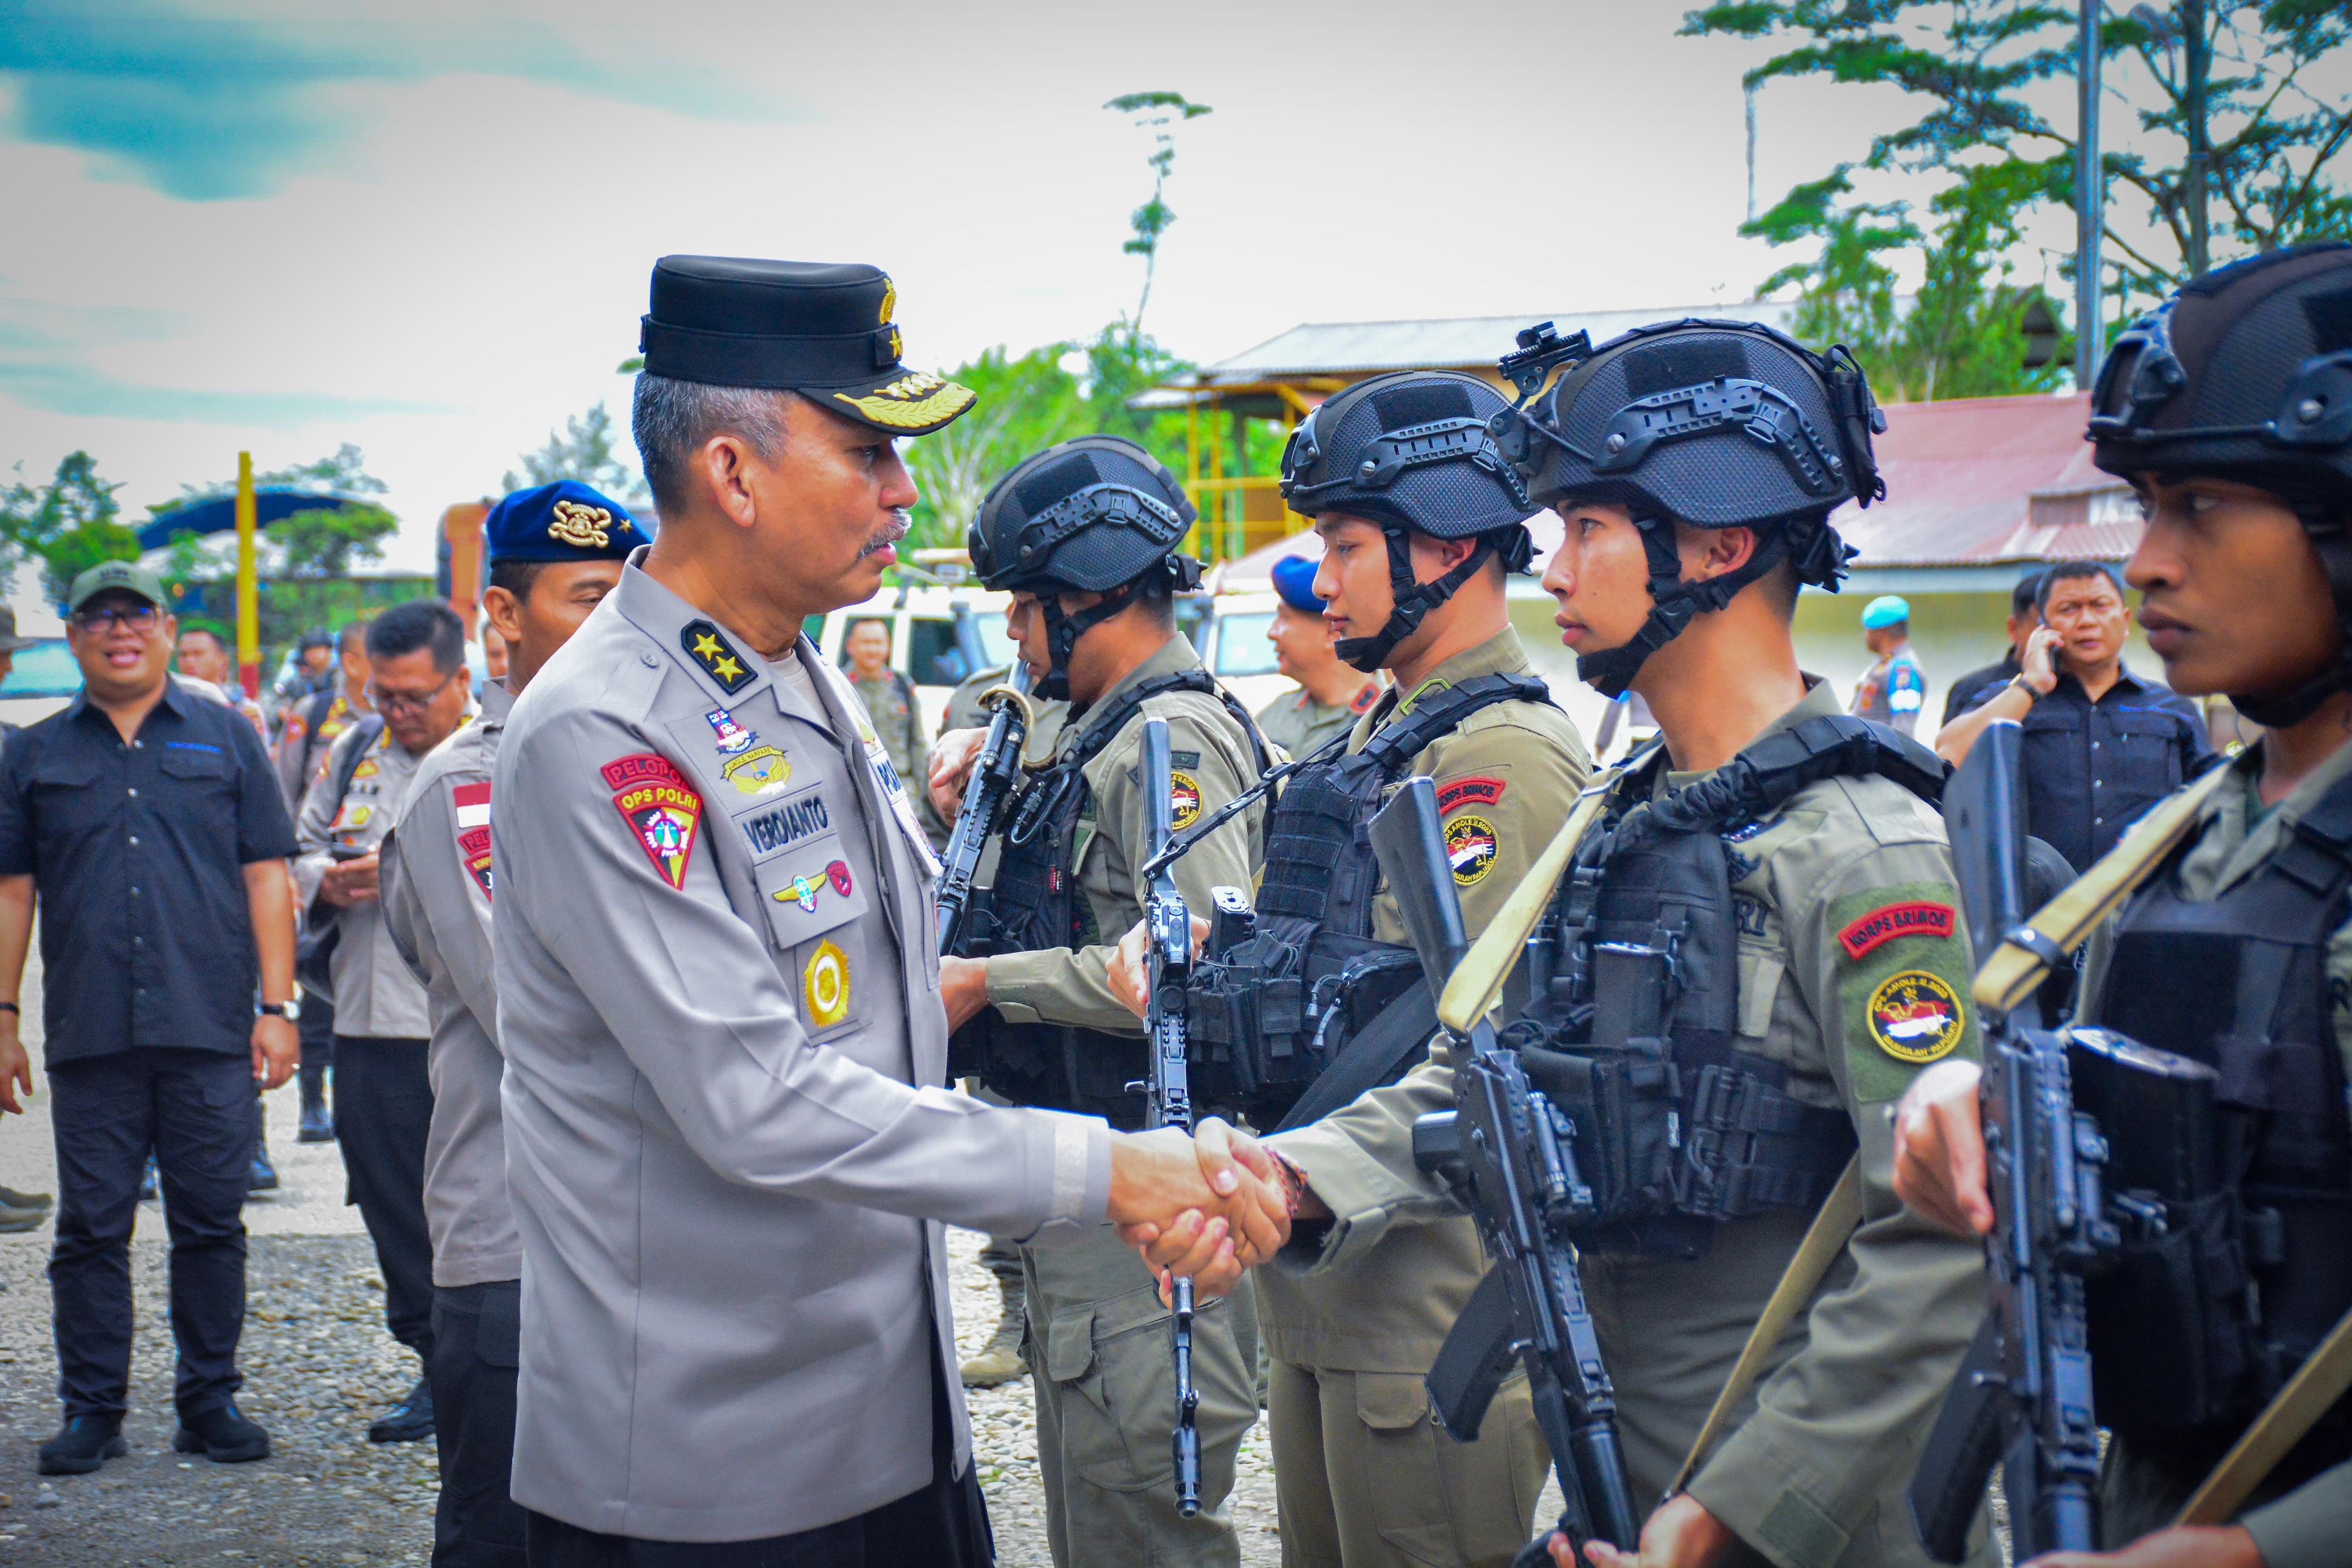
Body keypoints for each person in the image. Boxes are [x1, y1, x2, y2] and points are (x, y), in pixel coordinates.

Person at [1135, 320, 1996, 1568]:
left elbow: (1934, 1238)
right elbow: (1489, 1071)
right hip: (1620, 1478)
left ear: (1719, 543)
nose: (1554, 570)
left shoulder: (1861, 848)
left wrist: (1740, 1510)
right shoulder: (1620, 821)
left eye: (1589, 529)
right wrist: (1299, 1173)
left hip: (1802, 1509)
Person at [489, 254, 1284, 1568]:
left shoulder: (805, 679)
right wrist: (1112, 1170)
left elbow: (887, 996)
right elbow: (760, 1096)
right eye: (866, 451)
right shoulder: (604, 732)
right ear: (735, 476)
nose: (903, 489)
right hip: (715, 1466)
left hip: (887, 1423)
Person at [1892, 243, 2352, 1568]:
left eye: (2199, 505)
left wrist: (2260, 1550)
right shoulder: (2191, 841)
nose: (2142, 564)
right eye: (2145, 505)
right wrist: (1973, 1117)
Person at [1117, 369, 1585, 1568]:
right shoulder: (1391, 732)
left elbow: (1477, 1045)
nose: (1321, 579)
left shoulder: (1500, 757)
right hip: (1327, 1287)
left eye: (1344, 542)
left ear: (1442, 545)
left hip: (1418, 1304)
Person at [924, 434, 1269, 1567]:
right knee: (1097, 1526)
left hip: (1150, 1203)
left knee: (1142, 1534)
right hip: (1092, 1194)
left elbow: (1194, 967)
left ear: (1089, 599)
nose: (1013, 640)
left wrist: (986, 984)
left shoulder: (1171, 740)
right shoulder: (1103, 732)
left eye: (1025, 612)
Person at [383, 481, 639, 1568]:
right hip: (520, 1243)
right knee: (505, 1540)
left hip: (641, 1232)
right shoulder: (469, 784)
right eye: (587, 595)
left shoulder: (639, 756)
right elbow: (543, 1014)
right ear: (502, 611)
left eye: (631, 589)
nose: (618, 617)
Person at [0, 560, 299, 1476]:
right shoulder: (32, 752)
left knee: (210, 1222)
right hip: (91, 1032)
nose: (118, 631)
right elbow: (13, 890)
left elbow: (267, 873)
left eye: (136, 615)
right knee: (91, 1226)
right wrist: (4, 1013)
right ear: (75, 634)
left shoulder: (226, 736)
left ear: (166, 627)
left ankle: (208, 1399)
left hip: (210, 1025)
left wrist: (279, 1007)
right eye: (98, 618)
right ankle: (93, 1408)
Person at [296, 599, 477, 1448]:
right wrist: (323, 883)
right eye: (385, 695)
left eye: (415, 696)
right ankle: (435, 1363)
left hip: (463, 1032)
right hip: (366, 1024)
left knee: (468, 1209)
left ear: (460, 681)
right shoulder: (352, 751)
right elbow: (292, 851)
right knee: (388, 1203)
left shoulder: (494, 755)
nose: (399, 712)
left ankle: (483, 1363)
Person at [920, 659, 1072, 1388]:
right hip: (985, 996)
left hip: (1050, 991)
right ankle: (1018, 1314)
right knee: (1004, 1160)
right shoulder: (979, 700)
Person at [1935, 560, 2213, 873]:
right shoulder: (2011, 698)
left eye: (2100, 605)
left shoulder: (2173, 709)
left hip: (2146, 905)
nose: (2087, 621)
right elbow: (1949, 755)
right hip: (2039, 906)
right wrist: (2033, 684)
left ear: (2124, 621)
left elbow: (2213, 798)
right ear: (2044, 628)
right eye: (2069, 609)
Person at [276, 620, 373, 1142]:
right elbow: (285, 794)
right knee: (317, 986)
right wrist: (296, 873)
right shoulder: (312, 716)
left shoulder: (398, 716)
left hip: (381, 878)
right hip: (322, 878)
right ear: (353, 661)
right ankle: (313, 1100)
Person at [1253, 552, 1381, 759]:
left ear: (1332, 633)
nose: (1272, 633)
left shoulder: (1382, 719)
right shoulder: (1273, 716)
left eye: (1284, 619)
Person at [1939, 570, 2044, 727]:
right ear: (2014, 629)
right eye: (2043, 627)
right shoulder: (1972, 690)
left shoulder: (2084, 690)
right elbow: (1949, 751)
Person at [842, 616, 930, 790]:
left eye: (878, 643)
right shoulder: (837, 686)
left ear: (888, 646)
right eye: (866, 643)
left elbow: (918, 743)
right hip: (857, 789)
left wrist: (925, 794)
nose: (872, 649)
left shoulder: (901, 686)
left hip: (901, 786)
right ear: (851, 646)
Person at [1849, 594, 1929, 736]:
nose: (1865, 636)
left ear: (1881, 631)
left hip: (1880, 756)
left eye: (1868, 630)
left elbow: (1903, 731)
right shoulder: (1887, 664)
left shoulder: (1903, 670)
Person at [175, 625, 269, 742]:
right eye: (184, 655)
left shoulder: (241, 709)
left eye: (198, 654)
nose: (189, 661)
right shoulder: (170, 705)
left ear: (221, 660)